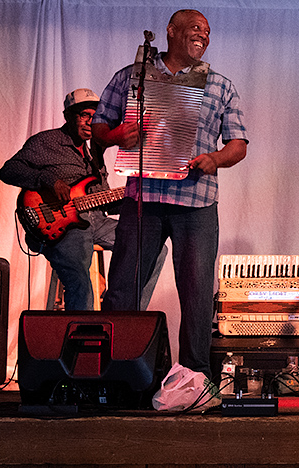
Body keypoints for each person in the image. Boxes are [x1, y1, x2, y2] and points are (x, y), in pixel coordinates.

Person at [91, 9, 248, 377]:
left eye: (207, 31)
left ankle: (194, 376)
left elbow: (238, 144)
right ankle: (115, 372)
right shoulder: (133, 77)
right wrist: (116, 137)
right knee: (123, 287)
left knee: (195, 295)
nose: (203, 35)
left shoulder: (220, 85)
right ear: (171, 32)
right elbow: (100, 125)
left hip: (196, 202)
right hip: (143, 198)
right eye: (196, 28)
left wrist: (216, 159)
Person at [0, 88, 165, 310]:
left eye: (95, 116)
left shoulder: (96, 149)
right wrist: (48, 179)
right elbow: (8, 171)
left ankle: (126, 315)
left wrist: (132, 197)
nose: (90, 122)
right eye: (84, 115)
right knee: (80, 282)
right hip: (64, 226)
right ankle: (80, 336)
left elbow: (103, 199)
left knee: (153, 247)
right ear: (68, 116)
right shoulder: (47, 142)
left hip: (98, 220)